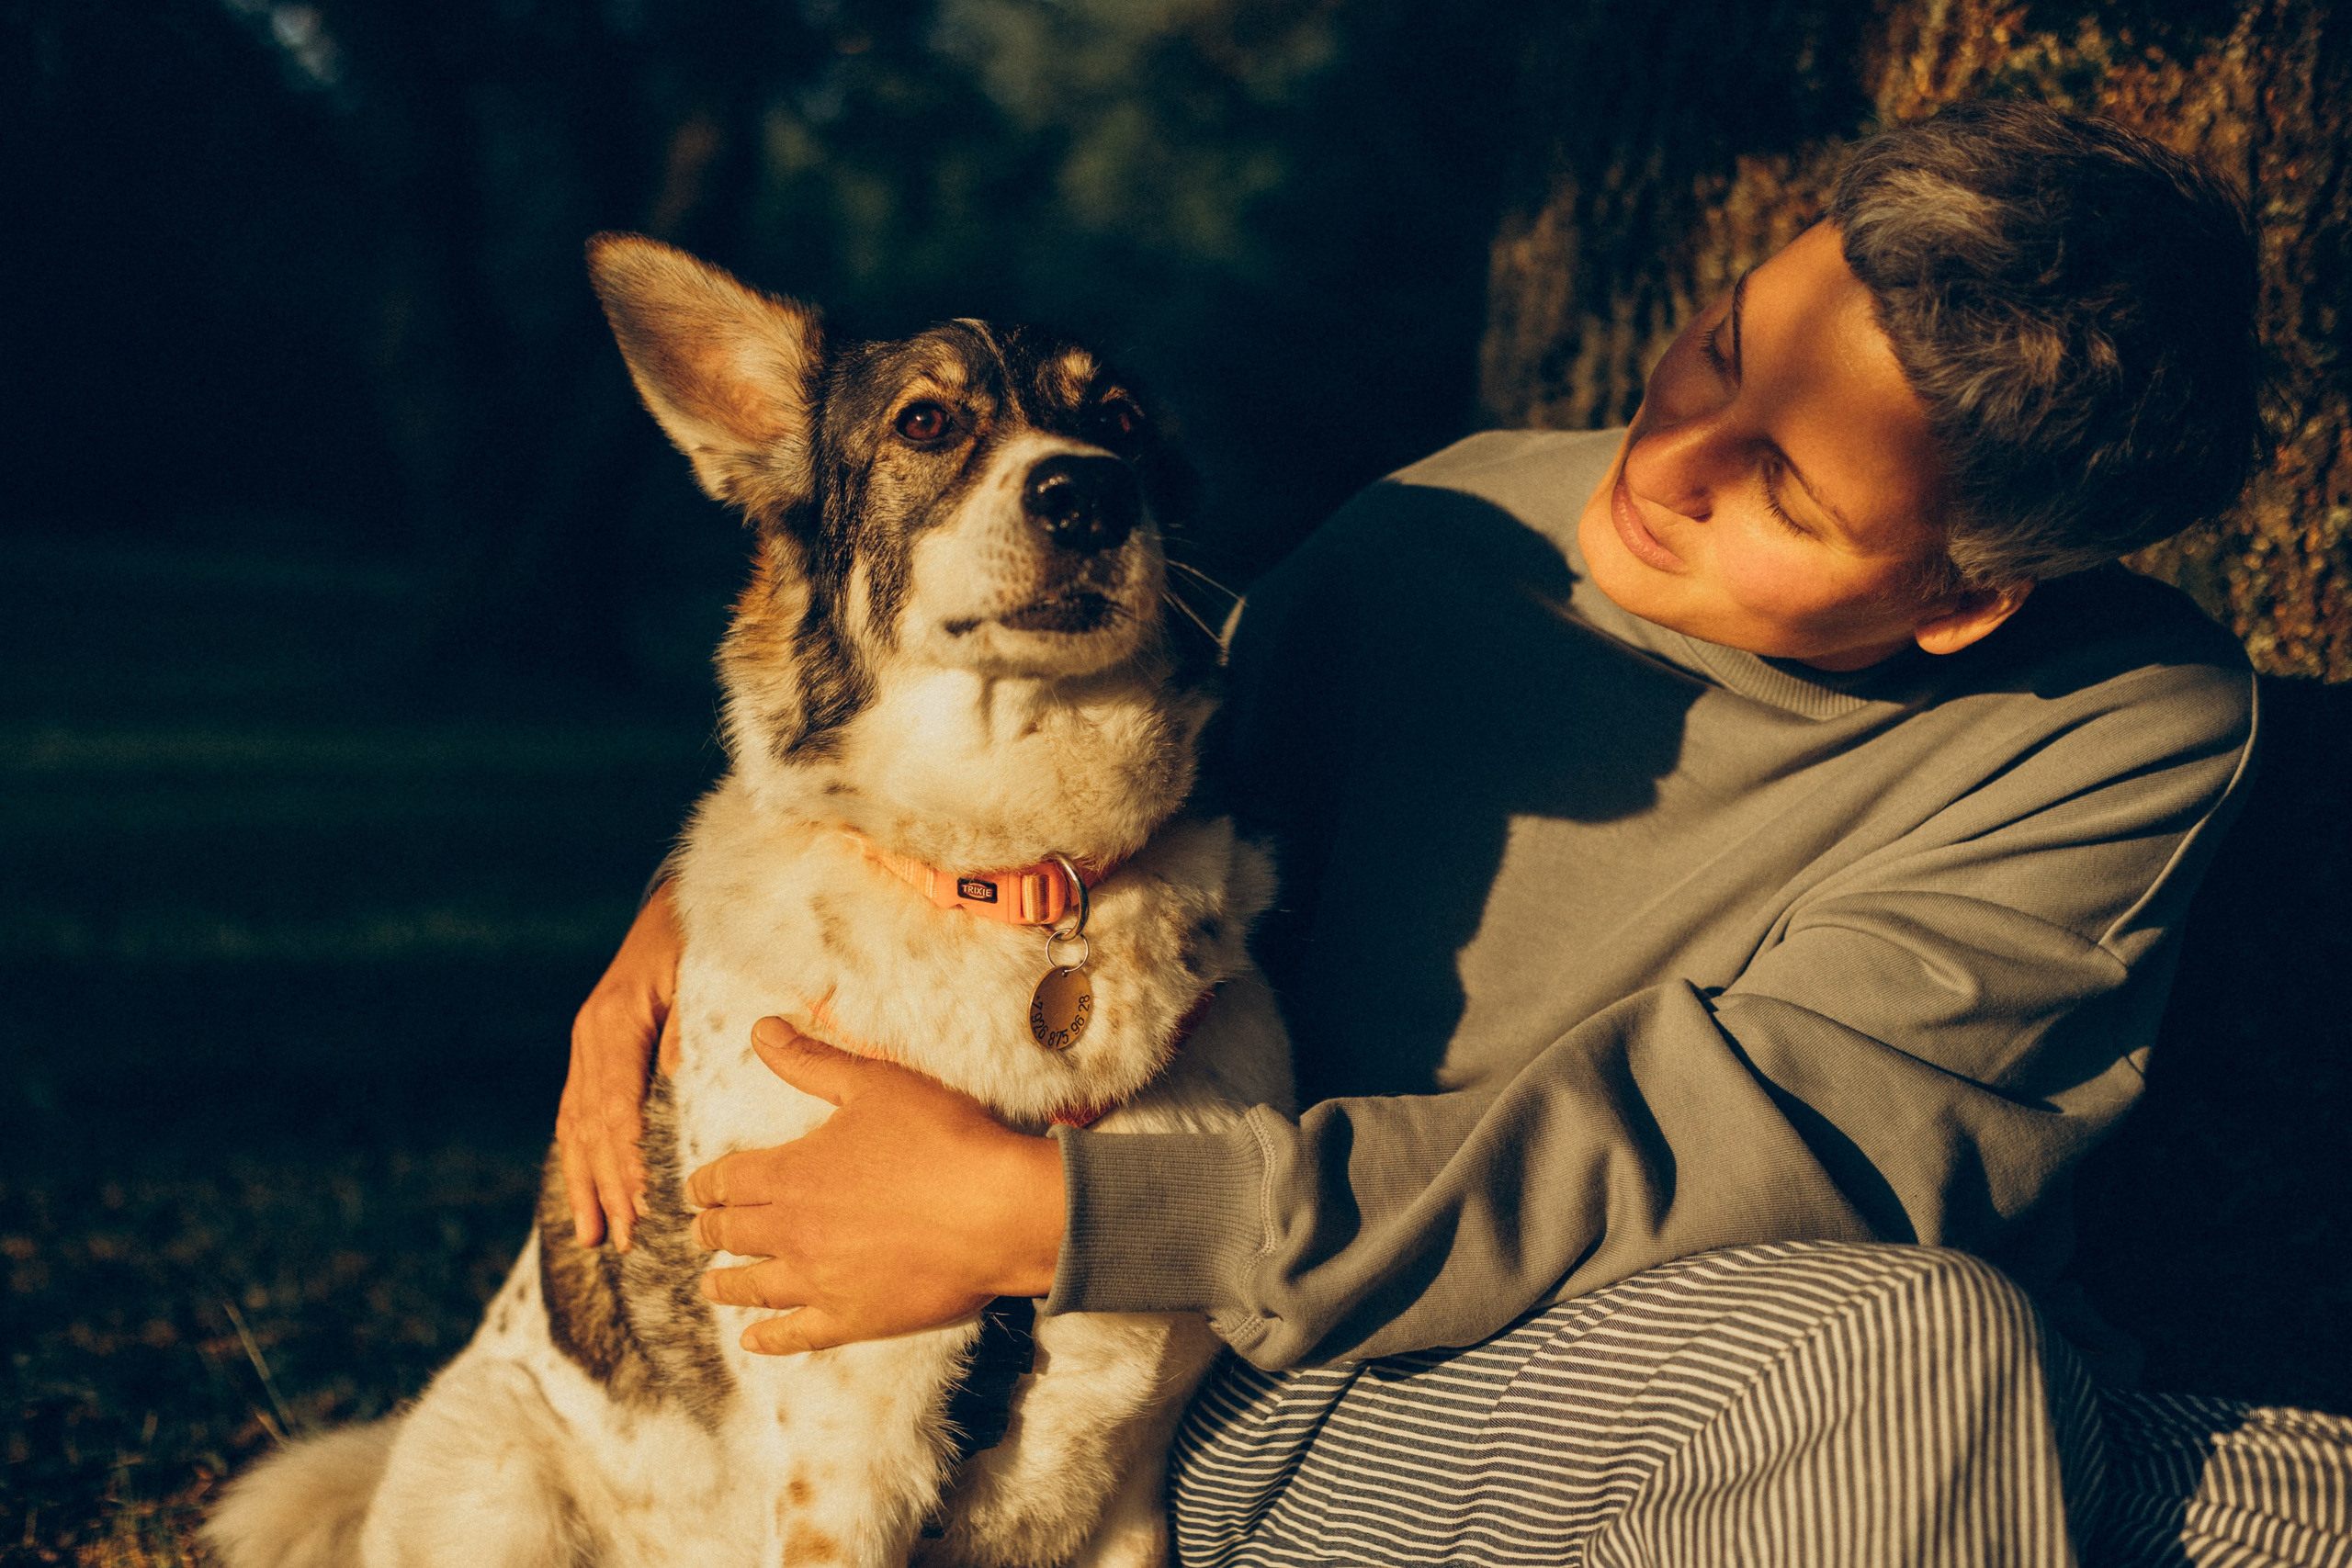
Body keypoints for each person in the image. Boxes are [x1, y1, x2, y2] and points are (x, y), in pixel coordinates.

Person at [556, 101, 2352, 1562]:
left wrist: (1058, 1210)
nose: (1665, 459)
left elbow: (1731, 1161)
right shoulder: (1455, 526)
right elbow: (1057, 786)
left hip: (1605, 1325)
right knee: (1914, 1353)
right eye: (1716, 349)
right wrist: (700, 907)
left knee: (2017, 1404)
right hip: (1333, 1377)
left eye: (1781, 488)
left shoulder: (2119, 727)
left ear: (1967, 595)